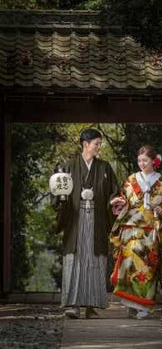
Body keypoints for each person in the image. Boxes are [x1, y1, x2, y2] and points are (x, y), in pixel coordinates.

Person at [52, 128, 119, 319]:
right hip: (75, 219)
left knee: (94, 260)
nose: (99, 147)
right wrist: (62, 201)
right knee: (75, 260)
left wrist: (114, 201)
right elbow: (58, 193)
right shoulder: (68, 166)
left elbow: (114, 191)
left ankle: (92, 305)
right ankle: (73, 305)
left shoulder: (105, 167)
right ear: (85, 144)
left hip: (97, 220)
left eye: (100, 144)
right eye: (97, 143)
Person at [109, 144, 162, 319]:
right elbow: (125, 198)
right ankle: (130, 303)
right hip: (131, 227)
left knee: (148, 265)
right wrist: (120, 202)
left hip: (151, 228)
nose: (142, 164)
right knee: (129, 264)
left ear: (154, 161)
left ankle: (144, 306)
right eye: (139, 160)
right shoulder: (131, 179)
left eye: (145, 160)